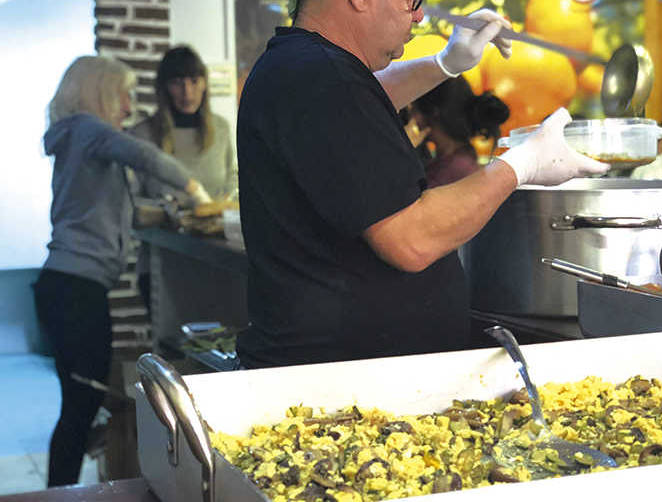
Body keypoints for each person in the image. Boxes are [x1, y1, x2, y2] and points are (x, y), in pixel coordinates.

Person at [235, 1, 610, 368]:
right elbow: (411, 241)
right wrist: (521, 165)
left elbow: (362, 101)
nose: (418, 15)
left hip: (341, 372)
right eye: (411, 1)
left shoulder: (302, 67)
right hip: (335, 388)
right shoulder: (321, 75)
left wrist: (445, 64)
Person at [33, 55, 211, 487]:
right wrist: (194, 189)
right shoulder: (89, 130)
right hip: (77, 290)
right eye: (123, 95)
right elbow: (143, 155)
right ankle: (61, 494)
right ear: (100, 93)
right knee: (80, 406)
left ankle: (63, 491)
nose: (129, 107)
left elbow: (104, 207)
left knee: (80, 403)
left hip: (67, 286)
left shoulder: (77, 137)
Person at [130, 46, 237, 309]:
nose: (187, 92)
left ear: (204, 84)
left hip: (216, 263)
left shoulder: (221, 129)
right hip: (161, 265)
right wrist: (174, 211)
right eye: (177, 83)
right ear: (164, 88)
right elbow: (130, 202)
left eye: (194, 81)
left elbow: (233, 183)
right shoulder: (142, 136)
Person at [407, 76, 509, 188]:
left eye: (413, 107)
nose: (411, 115)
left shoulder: (448, 173)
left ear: (433, 112)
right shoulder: (459, 160)